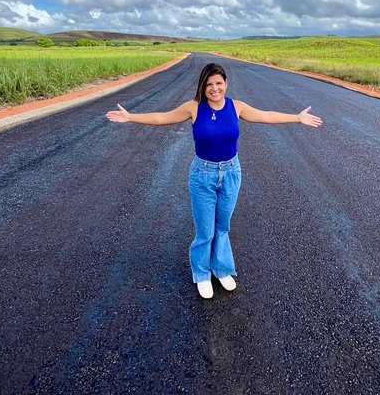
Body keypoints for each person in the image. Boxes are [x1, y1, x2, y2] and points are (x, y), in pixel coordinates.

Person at [106, 62, 322, 299]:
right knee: (205, 230)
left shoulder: (236, 106)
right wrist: (131, 117)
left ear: (226, 84)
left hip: (231, 173)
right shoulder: (194, 108)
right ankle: (201, 273)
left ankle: (221, 269)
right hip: (202, 175)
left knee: (222, 227)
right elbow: (162, 117)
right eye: (209, 84)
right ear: (203, 86)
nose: (214, 88)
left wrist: (297, 118)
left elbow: (266, 115)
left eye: (219, 83)